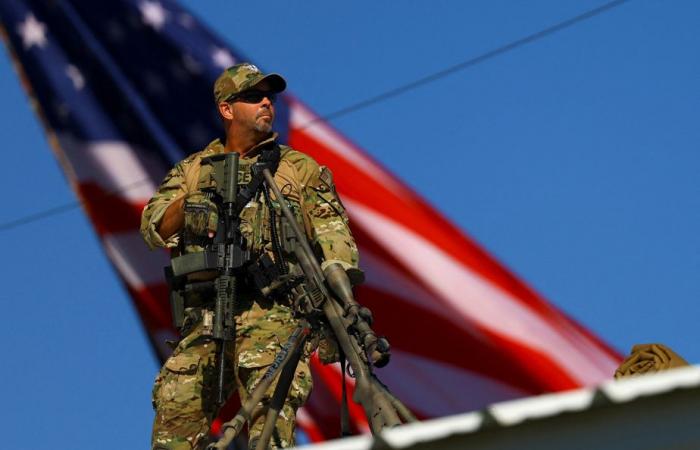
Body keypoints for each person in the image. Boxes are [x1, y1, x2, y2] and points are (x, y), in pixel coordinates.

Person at [140, 63, 359, 450]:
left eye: (269, 97)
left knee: (270, 430)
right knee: (174, 415)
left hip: (273, 316)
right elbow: (153, 227)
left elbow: (333, 236)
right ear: (227, 109)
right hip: (207, 318)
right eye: (253, 96)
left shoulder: (297, 170)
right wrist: (191, 204)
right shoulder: (193, 171)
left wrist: (342, 296)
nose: (265, 104)